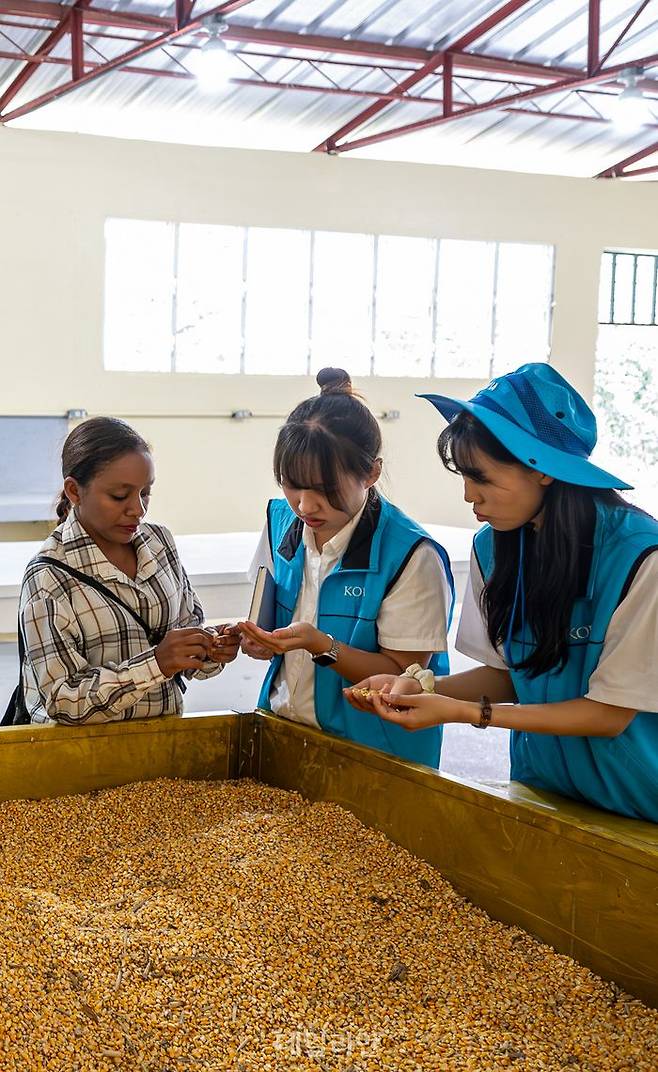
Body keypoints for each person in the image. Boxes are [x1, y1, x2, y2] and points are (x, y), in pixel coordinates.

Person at [347, 362, 658, 822]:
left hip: (636, 803)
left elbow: (608, 714)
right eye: (464, 478)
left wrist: (466, 712)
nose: (470, 496)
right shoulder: (492, 548)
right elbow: (507, 674)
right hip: (543, 789)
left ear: (544, 471)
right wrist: (417, 687)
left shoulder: (640, 559)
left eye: (483, 478)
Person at [239, 367, 454, 767]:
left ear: (371, 472)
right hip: (284, 728)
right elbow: (264, 613)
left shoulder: (411, 555)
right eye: (291, 484)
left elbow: (403, 674)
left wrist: (318, 644)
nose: (304, 506)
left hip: (376, 754)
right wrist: (257, 640)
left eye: (325, 489)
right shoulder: (279, 521)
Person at [13, 417, 239, 726]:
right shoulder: (49, 578)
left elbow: (188, 634)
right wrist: (157, 663)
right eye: (120, 496)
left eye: (145, 493)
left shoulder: (160, 543)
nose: (138, 509)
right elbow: (62, 700)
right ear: (74, 491)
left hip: (161, 746)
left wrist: (212, 648)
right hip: (78, 760)